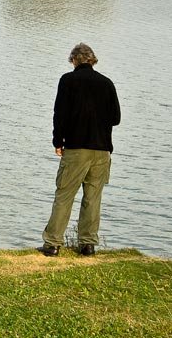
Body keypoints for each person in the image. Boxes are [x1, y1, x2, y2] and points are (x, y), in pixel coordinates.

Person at [39, 43, 120, 257]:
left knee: (64, 195)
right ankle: (87, 245)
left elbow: (60, 114)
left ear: (74, 60)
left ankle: (53, 244)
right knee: (93, 198)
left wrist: (58, 141)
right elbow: (116, 118)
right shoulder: (107, 83)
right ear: (92, 60)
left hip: (76, 149)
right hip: (102, 150)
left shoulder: (68, 81)